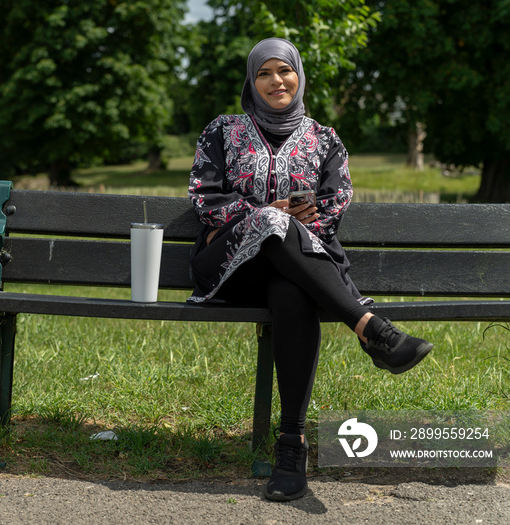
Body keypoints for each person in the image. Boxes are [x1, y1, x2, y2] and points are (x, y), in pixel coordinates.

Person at [187, 38, 433, 502]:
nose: (275, 81)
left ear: (299, 76)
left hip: (297, 273)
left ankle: (290, 449)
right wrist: (268, 214)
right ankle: (370, 329)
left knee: (290, 291)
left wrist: (303, 217)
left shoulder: (326, 139)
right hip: (230, 269)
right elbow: (204, 197)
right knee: (271, 221)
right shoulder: (222, 131)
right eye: (264, 73)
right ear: (252, 81)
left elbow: (335, 205)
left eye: (284, 71)